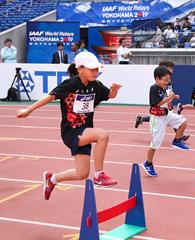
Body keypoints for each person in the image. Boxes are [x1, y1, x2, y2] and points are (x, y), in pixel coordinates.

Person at [17, 52, 122, 200]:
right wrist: (28, 110)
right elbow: (50, 96)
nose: (95, 72)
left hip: (85, 131)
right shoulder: (71, 84)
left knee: (81, 173)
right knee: (102, 135)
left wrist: (114, 91)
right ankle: (99, 175)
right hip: (71, 131)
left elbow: (109, 96)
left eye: (97, 69)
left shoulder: (96, 85)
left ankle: (52, 179)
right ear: (80, 69)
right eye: (91, 69)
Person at [142, 66, 189, 177]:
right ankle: (148, 163)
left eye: (169, 80)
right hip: (157, 119)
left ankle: (177, 141)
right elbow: (156, 104)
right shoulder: (153, 88)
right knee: (155, 144)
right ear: (157, 79)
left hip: (167, 114)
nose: (167, 82)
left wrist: (174, 96)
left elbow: (167, 97)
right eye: (165, 80)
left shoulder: (164, 87)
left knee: (183, 121)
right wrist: (169, 98)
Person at [135, 61, 190, 141]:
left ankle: (141, 119)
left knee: (166, 117)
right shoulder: (160, 83)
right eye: (170, 68)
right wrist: (168, 99)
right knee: (162, 117)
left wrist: (174, 96)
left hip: (167, 101)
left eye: (172, 68)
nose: (172, 70)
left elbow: (169, 91)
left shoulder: (170, 81)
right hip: (163, 101)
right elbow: (160, 94)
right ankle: (179, 136)